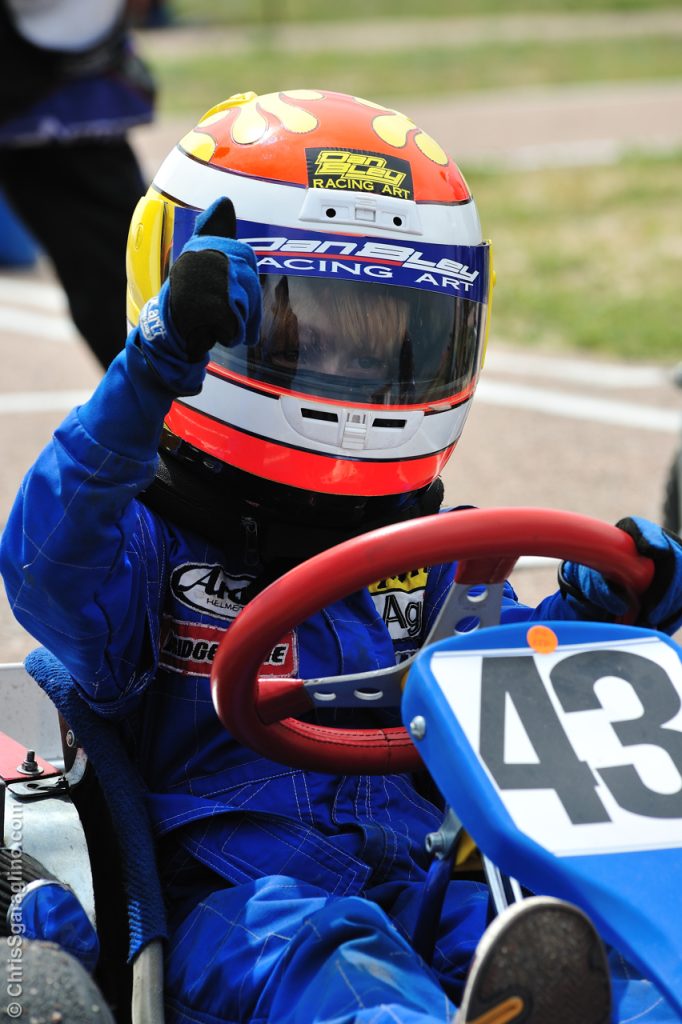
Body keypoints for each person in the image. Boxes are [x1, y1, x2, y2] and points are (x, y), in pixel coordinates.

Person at [1, 88, 681, 1024]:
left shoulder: (424, 560)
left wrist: (598, 617)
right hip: (241, 908)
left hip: (422, 873)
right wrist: (154, 366)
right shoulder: (146, 545)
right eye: (310, 333)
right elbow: (48, 561)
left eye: (388, 342)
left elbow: (492, 690)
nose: (357, 381)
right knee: (333, 953)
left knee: (592, 941)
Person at [0, 0, 155, 368]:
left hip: (55, 97)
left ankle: (159, 402)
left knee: (118, 276)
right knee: (117, 277)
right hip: (45, 87)